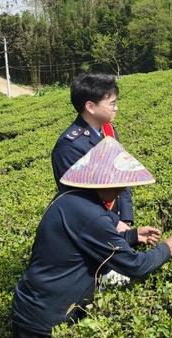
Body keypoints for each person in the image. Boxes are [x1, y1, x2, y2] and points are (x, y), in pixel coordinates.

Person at [12, 137, 172, 338]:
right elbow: (134, 265)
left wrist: (132, 235)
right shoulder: (91, 214)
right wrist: (167, 249)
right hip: (42, 319)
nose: (122, 191)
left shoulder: (70, 198)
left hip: (38, 306)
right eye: (120, 184)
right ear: (104, 183)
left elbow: (87, 240)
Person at [52, 72, 133, 231]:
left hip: (116, 222)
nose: (116, 108)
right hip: (92, 227)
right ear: (90, 107)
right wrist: (116, 224)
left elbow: (122, 176)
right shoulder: (69, 146)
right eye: (111, 103)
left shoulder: (109, 131)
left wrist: (126, 218)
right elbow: (79, 200)